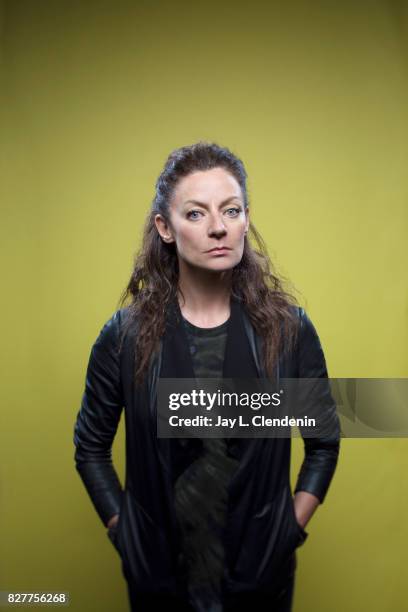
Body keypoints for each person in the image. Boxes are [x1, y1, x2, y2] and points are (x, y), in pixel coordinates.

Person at [73, 141, 341, 611]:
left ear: (245, 219)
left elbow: (324, 441)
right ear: (166, 228)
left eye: (231, 210)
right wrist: (124, 531)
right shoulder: (125, 336)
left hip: (261, 580)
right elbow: (90, 447)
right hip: (159, 582)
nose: (218, 227)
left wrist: (289, 527)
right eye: (195, 214)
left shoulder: (289, 329)